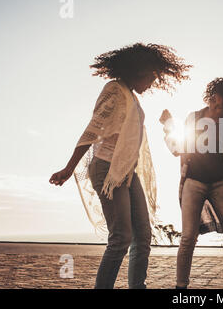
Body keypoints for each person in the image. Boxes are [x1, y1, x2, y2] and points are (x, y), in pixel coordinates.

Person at [49, 43, 191, 289]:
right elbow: (92, 130)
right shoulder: (115, 90)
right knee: (121, 238)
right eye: (151, 76)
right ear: (137, 71)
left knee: (143, 237)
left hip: (127, 172)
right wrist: (69, 168)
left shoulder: (131, 95)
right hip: (107, 169)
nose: (152, 82)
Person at [160, 78, 223, 289]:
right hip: (193, 182)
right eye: (214, 97)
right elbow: (178, 148)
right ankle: (180, 287)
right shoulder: (194, 117)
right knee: (187, 239)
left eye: (219, 100)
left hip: (220, 183)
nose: (214, 101)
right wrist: (168, 126)